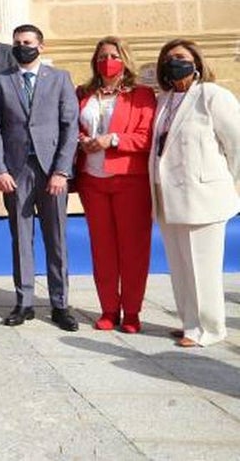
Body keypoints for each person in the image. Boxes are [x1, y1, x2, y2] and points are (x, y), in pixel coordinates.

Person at [0, 24, 80, 331]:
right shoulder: (0, 81)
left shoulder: (60, 78)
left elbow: (70, 127)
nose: (21, 46)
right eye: (16, 42)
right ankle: (24, 301)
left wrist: (62, 170)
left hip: (52, 171)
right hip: (16, 171)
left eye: (27, 42)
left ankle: (60, 304)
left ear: (41, 46)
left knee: (57, 238)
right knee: (21, 237)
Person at [150, 39, 239, 348]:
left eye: (181, 57)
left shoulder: (212, 95)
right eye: (169, 58)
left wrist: (230, 187)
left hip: (203, 196)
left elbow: (236, 144)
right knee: (180, 265)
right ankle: (190, 322)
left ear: (196, 62)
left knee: (203, 266)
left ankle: (210, 329)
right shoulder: (164, 100)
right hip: (168, 196)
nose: (175, 62)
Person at [75, 37, 156, 334]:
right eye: (102, 56)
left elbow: (147, 137)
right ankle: (109, 308)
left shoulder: (142, 95)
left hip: (129, 180)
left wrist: (114, 139)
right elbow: (72, 127)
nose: (107, 60)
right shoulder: (83, 93)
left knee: (133, 249)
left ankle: (132, 312)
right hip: (92, 181)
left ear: (124, 59)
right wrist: (81, 141)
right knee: (103, 249)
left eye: (113, 55)